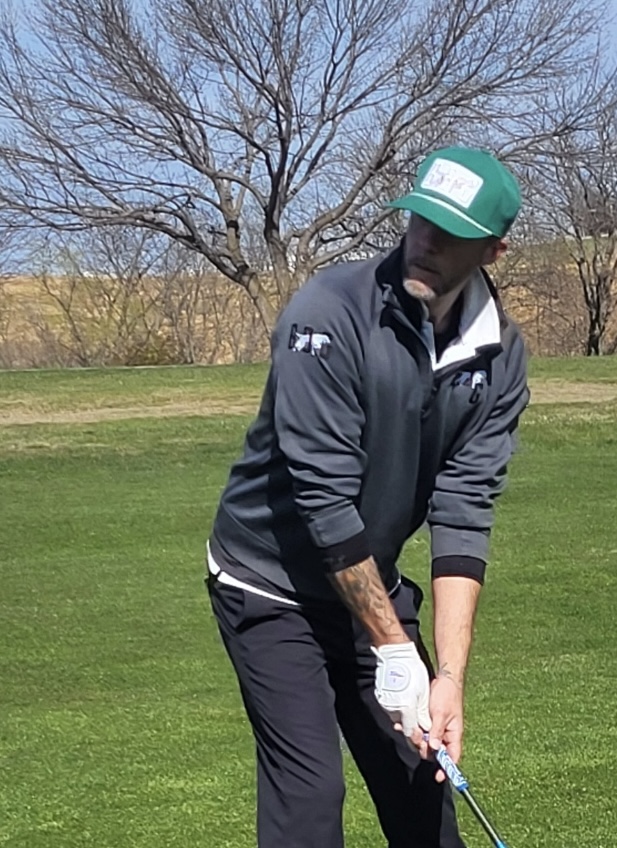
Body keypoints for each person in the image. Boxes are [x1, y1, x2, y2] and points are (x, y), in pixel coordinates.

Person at [206, 146, 529, 848]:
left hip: (365, 579)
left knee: (422, 785)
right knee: (310, 798)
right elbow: (322, 500)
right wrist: (392, 650)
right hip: (268, 581)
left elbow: (463, 512)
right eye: (419, 222)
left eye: (452, 235)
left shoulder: (499, 355)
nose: (426, 243)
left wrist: (445, 677)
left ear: (494, 251)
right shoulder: (327, 313)